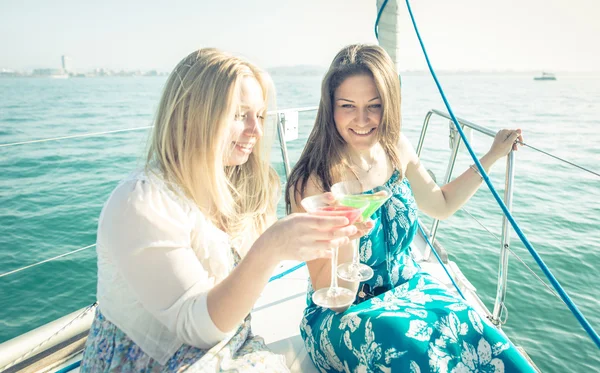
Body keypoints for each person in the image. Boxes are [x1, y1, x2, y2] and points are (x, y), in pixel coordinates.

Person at [80, 48, 358, 372]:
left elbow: (273, 257)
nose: (256, 130)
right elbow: (196, 327)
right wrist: (271, 246)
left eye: (261, 115)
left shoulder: (238, 185)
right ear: (193, 114)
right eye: (240, 115)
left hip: (227, 349)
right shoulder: (140, 203)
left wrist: (337, 233)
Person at [285, 44, 537, 372]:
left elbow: (441, 204)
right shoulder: (313, 181)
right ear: (330, 107)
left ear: (389, 104)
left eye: (374, 106)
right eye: (348, 106)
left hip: (411, 287)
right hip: (346, 315)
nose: (362, 120)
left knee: (481, 335)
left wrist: (490, 156)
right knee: (409, 348)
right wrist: (347, 229)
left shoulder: (395, 148)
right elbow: (335, 297)